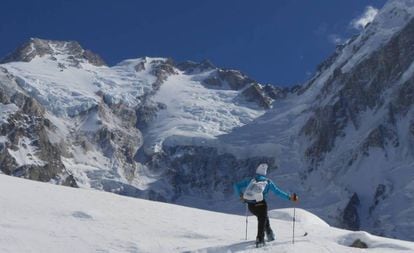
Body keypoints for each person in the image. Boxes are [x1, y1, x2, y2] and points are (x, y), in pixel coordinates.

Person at [234, 163, 298, 247]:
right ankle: (260, 239)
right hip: (261, 204)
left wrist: (241, 195)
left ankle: (269, 234)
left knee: (263, 218)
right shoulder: (268, 182)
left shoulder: (251, 180)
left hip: (250, 205)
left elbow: (236, 185)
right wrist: (289, 198)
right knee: (262, 219)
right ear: (265, 173)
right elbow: (278, 192)